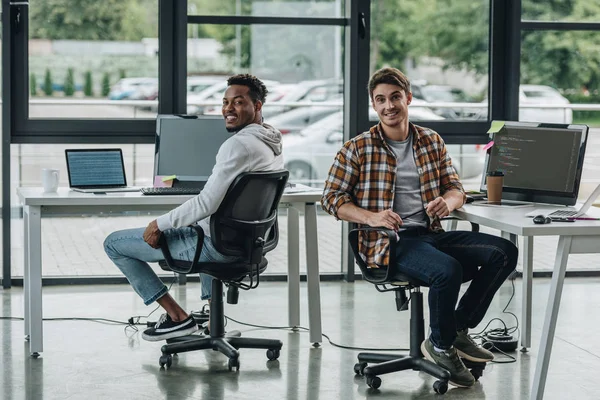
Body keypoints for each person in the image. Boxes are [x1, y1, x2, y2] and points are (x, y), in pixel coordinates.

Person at [321, 67, 518, 388]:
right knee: (447, 270)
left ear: (408, 98)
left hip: (429, 234)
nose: (389, 106)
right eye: (381, 100)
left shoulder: (430, 140)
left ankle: (453, 329)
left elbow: (456, 188)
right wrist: (372, 217)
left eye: (395, 97)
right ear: (374, 105)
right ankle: (441, 347)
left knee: (504, 251)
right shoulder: (357, 148)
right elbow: (331, 199)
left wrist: (448, 203)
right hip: (388, 242)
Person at [104, 74, 284, 342]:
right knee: (200, 224)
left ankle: (178, 318)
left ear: (257, 106)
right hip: (247, 243)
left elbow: (205, 203)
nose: (228, 109)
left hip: (217, 247)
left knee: (114, 244)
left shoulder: (238, 145)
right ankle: (213, 318)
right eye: (225, 102)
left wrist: (159, 224)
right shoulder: (272, 142)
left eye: (238, 102)